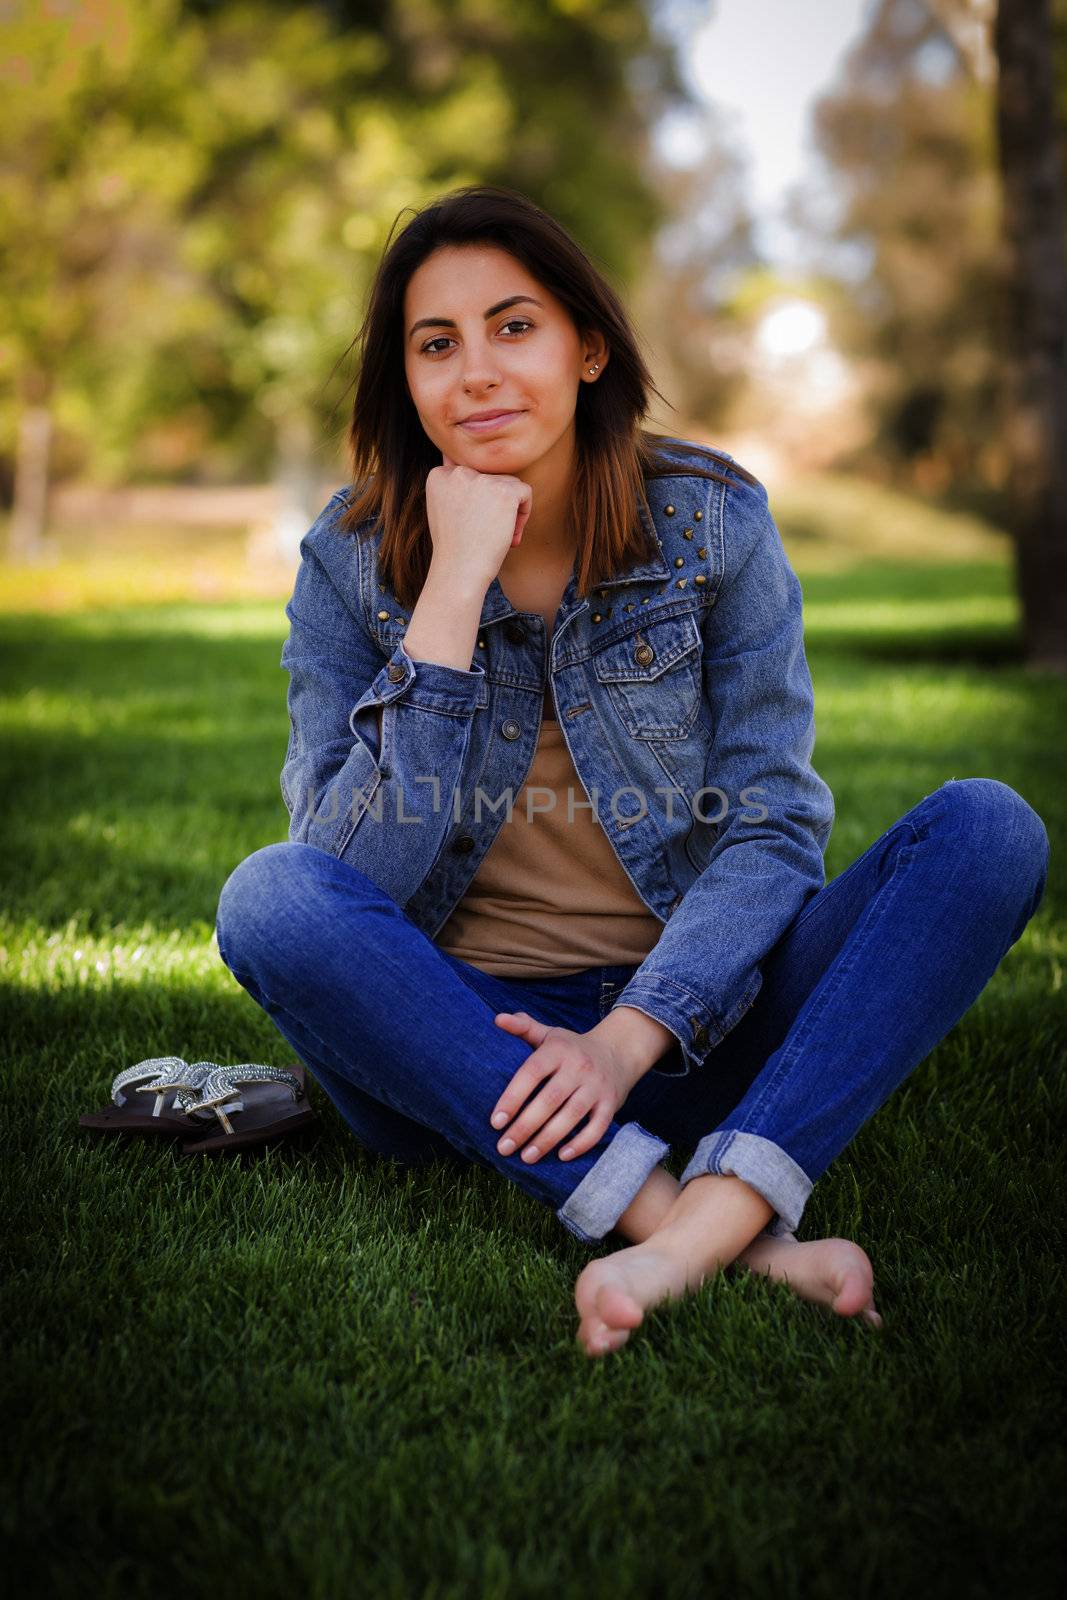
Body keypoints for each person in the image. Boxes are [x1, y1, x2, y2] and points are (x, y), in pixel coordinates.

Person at [214, 184, 1050, 1359]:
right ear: (404, 382)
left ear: (588, 347)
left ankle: (679, 1228)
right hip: (457, 1050)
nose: (477, 372)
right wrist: (450, 592)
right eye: (435, 344)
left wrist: (629, 1035)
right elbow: (352, 878)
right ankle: (712, 1233)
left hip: (699, 1024)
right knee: (270, 895)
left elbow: (769, 829)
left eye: (515, 327)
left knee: (987, 829)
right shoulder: (348, 561)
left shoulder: (710, 526)